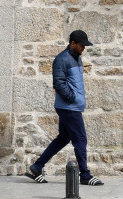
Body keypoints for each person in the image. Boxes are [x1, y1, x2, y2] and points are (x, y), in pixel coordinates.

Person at [24, 30, 104, 186]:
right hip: (69, 107)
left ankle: (37, 167)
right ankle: (85, 175)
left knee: (63, 138)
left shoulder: (76, 58)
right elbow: (59, 84)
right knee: (80, 139)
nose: (84, 49)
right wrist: (73, 98)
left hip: (72, 106)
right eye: (82, 45)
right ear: (73, 43)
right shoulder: (61, 59)